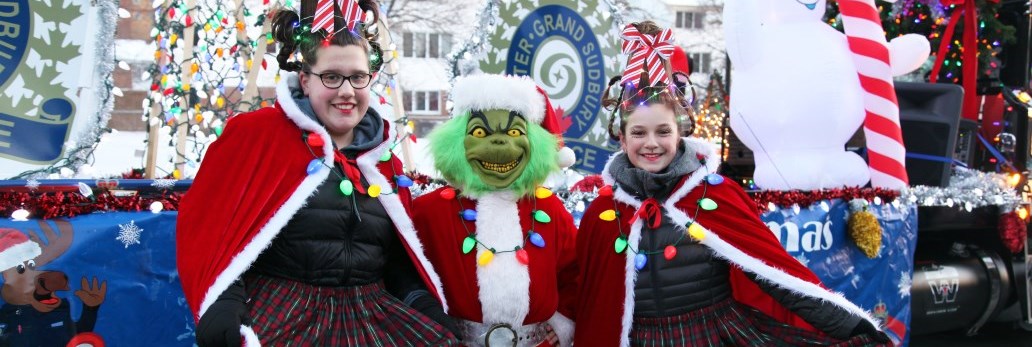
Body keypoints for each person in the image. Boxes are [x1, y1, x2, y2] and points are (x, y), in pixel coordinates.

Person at [572, 21, 890, 346]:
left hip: (713, 336)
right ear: (622, 139)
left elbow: (780, 278)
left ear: (680, 133)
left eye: (663, 131)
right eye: (638, 133)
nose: (651, 143)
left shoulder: (716, 194)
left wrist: (856, 329)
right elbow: (588, 300)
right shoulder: (603, 212)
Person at [175, 0, 459, 345]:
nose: (346, 91)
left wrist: (422, 304)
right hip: (286, 314)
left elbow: (395, 258)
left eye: (357, 77)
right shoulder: (257, 135)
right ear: (305, 80)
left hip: (371, 316)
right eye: (331, 77)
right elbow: (209, 227)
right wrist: (223, 303)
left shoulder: (384, 162)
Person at [412, 74, 578, 346]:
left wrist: (563, 319)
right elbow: (407, 278)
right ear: (456, 140)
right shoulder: (429, 212)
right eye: (480, 132)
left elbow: (575, 271)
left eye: (514, 132)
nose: (499, 142)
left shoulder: (548, 207)